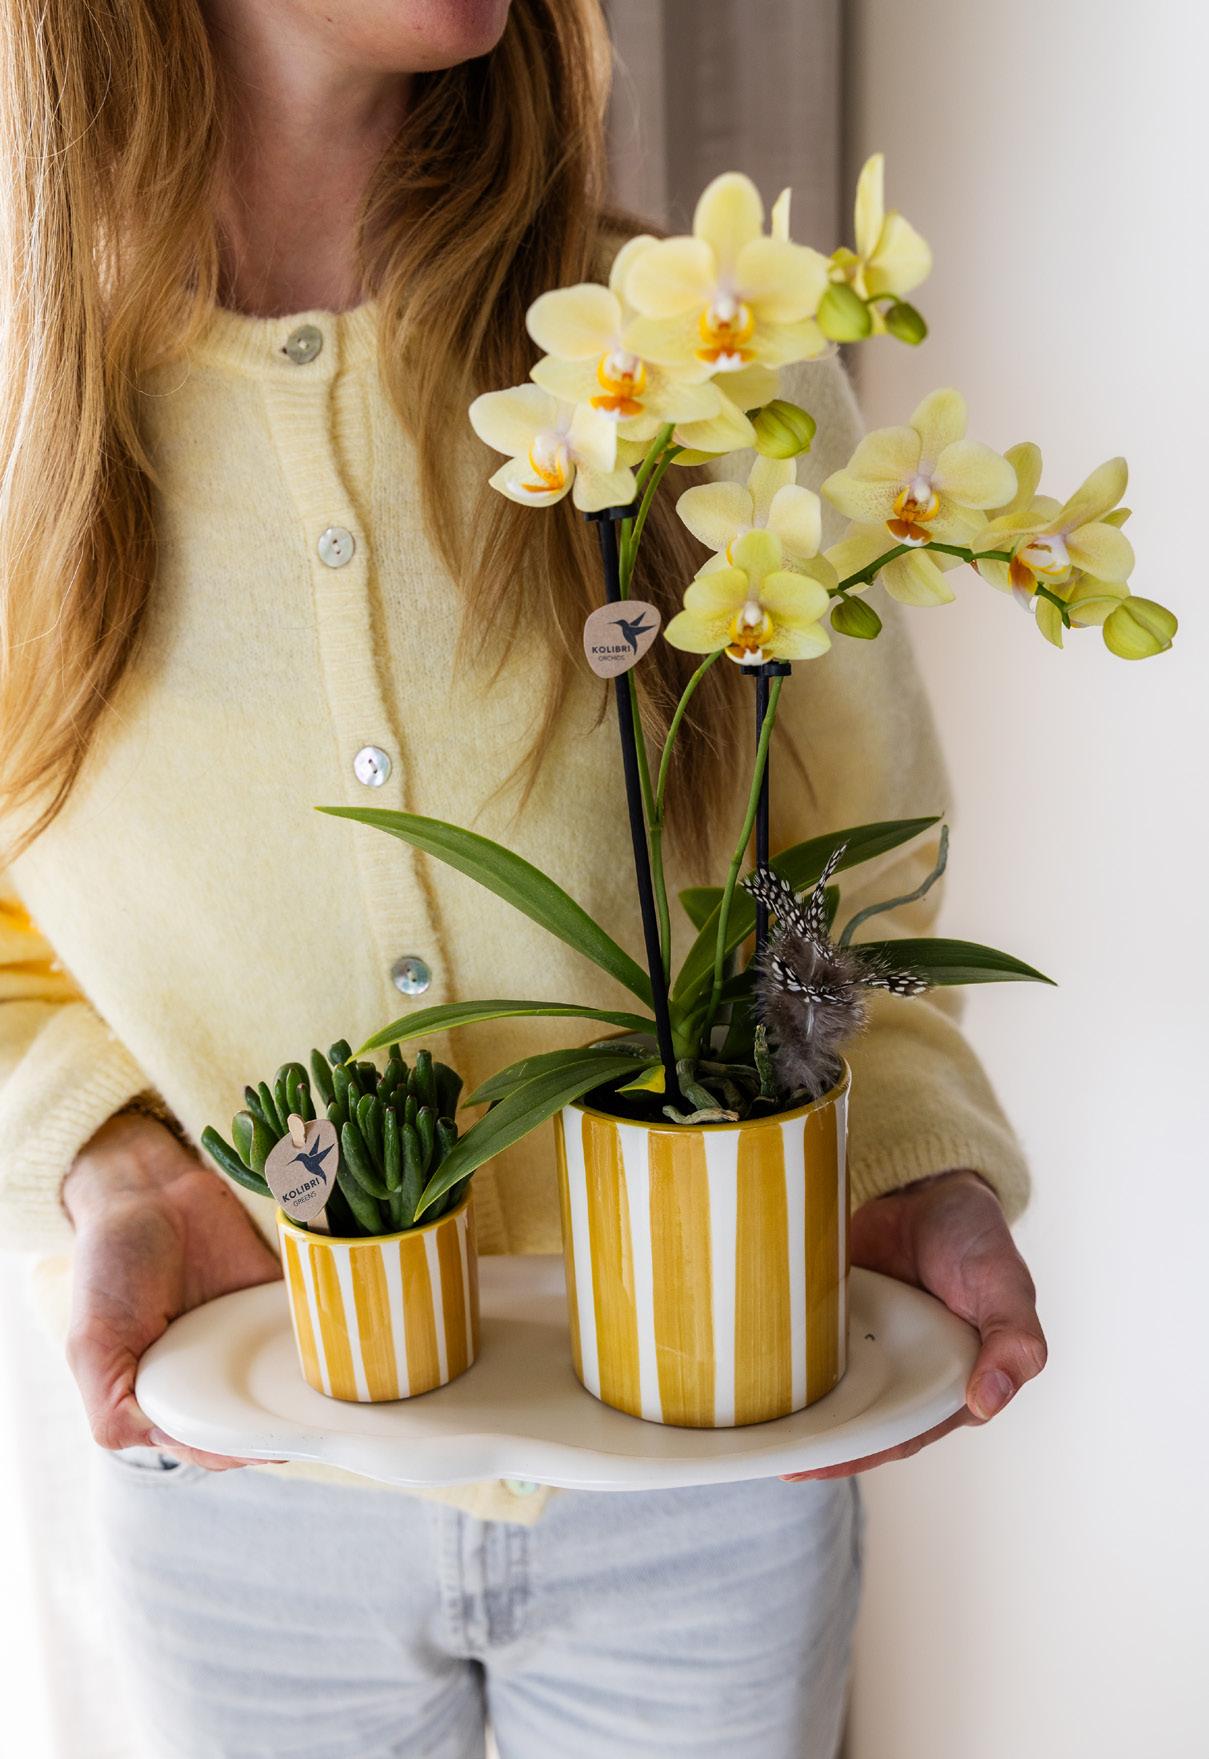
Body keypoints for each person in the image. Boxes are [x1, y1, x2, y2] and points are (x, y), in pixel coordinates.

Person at [0, 2, 1047, 1754]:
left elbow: (843, 884)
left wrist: (889, 1153)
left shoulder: (696, 356)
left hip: (707, 1459)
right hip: (243, 1476)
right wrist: (117, 1167)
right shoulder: (28, 417)